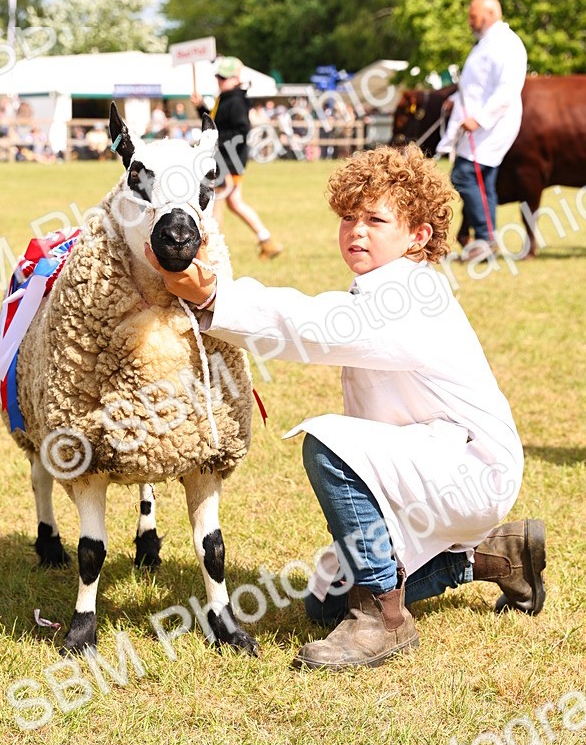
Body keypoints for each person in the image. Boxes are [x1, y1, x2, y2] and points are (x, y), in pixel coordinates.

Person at [145, 144, 546, 671]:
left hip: (468, 469)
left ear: (418, 235)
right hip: (427, 465)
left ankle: (383, 618)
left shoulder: (411, 295)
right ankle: (496, 555)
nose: (357, 231)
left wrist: (215, 295)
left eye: (376, 220)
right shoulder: (380, 286)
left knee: (327, 445)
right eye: (349, 218)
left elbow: (316, 326)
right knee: (325, 603)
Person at [437, 0, 527, 262]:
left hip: (491, 127)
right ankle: (485, 241)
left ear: (489, 14)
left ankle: (485, 238)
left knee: (463, 176)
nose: (470, 22)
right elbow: (477, 86)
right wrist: (455, 100)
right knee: (483, 182)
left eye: (473, 16)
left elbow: (507, 89)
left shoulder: (506, 44)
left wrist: (480, 118)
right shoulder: (487, 43)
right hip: (479, 127)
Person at [192, 56, 284, 260]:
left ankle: (211, 250)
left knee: (215, 203)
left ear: (236, 79)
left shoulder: (235, 101)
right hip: (226, 160)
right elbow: (215, 124)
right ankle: (266, 240)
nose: (220, 80)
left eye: (224, 77)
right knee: (234, 203)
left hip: (227, 161)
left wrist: (215, 141)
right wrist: (200, 108)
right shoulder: (226, 98)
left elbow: (241, 131)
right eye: (219, 77)